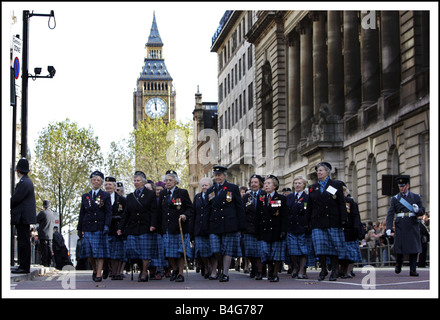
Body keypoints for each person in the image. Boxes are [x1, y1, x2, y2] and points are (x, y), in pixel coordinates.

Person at [304, 162, 347, 281]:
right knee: (320, 247)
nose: (318, 172)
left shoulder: (335, 185)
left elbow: (341, 203)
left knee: (334, 247)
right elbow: (310, 206)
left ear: (327, 172)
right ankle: (323, 268)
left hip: (332, 220)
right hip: (317, 221)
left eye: (321, 170)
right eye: (317, 170)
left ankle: (334, 270)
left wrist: (343, 219)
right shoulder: (313, 187)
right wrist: (306, 222)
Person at [206, 165, 246, 282]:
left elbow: (239, 207)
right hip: (214, 224)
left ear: (225, 175)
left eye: (220, 175)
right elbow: (207, 209)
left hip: (229, 223)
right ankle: (219, 268)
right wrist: (206, 225)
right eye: (216, 175)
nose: (217, 177)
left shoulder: (232, 188)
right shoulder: (211, 190)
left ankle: (225, 273)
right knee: (216, 250)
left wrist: (240, 225)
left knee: (228, 249)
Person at [117, 171, 158, 282]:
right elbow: (126, 214)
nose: (136, 182)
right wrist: (120, 227)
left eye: (138, 180)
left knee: (145, 252)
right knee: (133, 251)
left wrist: (153, 224)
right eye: (134, 180)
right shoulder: (131, 196)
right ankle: (141, 268)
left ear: (143, 182)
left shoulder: (151, 194)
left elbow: (154, 211)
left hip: (146, 226)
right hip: (133, 227)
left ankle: (144, 272)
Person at [386, 176, 425, 276]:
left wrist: (417, 210)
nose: (401, 188)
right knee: (400, 247)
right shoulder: (395, 199)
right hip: (401, 225)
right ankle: (399, 263)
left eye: (403, 186)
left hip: (412, 224)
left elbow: (422, 210)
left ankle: (413, 270)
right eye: (400, 186)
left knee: (413, 248)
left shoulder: (416, 197)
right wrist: (388, 228)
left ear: (408, 186)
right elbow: (390, 214)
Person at [158, 170, 193, 282]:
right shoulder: (163, 194)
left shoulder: (182, 192)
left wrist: (185, 215)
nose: (168, 182)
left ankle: (181, 273)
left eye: (170, 180)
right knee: (168, 252)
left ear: (175, 181)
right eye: (166, 180)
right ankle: (175, 269)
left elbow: (190, 208)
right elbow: (160, 210)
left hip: (179, 227)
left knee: (180, 251)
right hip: (167, 227)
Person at [78, 171, 112, 282]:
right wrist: (80, 228)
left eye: (98, 180)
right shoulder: (85, 196)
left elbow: (108, 212)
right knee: (90, 253)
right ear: (91, 181)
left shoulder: (105, 195)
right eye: (94, 180)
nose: (95, 182)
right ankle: (94, 268)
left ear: (101, 182)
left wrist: (107, 225)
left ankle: (99, 273)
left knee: (100, 252)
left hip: (100, 227)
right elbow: (82, 213)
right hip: (88, 227)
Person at [255, 175, 288, 282]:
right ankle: (270, 268)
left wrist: (283, 230)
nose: (266, 185)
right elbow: (258, 216)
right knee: (265, 252)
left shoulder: (281, 198)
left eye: (269, 183)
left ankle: (275, 273)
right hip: (264, 230)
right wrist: (257, 231)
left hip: (276, 230)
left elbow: (284, 216)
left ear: (275, 186)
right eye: (265, 184)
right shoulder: (261, 198)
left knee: (277, 253)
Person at [11, 158, 37, 274]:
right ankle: (23, 265)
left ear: (18, 170)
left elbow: (16, 199)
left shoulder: (24, 182)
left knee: (23, 242)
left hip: (22, 217)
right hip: (24, 217)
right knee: (23, 242)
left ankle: (24, 266)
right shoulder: (27, 181)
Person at [286, 176, 311, 279]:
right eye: (295, 183)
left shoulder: (308, 198)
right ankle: (295, 266)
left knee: (303, 250)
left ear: (304, 185)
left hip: (303, 228)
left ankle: (302, 269)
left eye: (299, 183)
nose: (297, 185)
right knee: (292, 251)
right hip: (291, 227)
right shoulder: (289, 197)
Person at [242, 174, 265, 280]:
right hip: (249, 227)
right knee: (250, 251)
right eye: (252, 182)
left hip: (262, 227)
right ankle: (254, 267)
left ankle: (260, 271)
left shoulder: (264, 194)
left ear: (260, 183)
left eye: (256, 182)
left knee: (260, 251)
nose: (254, 184)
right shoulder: (247, 196)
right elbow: (242, 212)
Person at [104, 176, 127, 280]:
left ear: (114, 186)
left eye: (110, 184)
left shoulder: (121, 199)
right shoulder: (101, 198)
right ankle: (110, 271)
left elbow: (126, 214)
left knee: (117, 252)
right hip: (106, 228)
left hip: (117, 228)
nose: (108, 186)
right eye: (106, 184)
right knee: (108, 252)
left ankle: (117, 273)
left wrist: (122, 227)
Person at [339, 184, 363, 278]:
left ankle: (348, 271)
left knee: (351, 253)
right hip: (340, 231)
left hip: (350, 231)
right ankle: (341, 271)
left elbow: (356, 216)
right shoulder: (335, 203)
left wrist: (356, 228)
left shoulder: (351, 202)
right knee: (342, 255)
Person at [191, 177, 212, 278]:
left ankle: (212, 267)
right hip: (198, 228)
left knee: (211, 250)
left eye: (206, 185)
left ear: (210, 186)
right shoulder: (197, 197)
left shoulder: (213, 196)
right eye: (202, 185)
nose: (204, 187)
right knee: (201, 250)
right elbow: (193, 213)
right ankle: (207, 267)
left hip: (210, 228)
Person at [36, 200, 55, 267]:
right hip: (50, 234)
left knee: (44, 249)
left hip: (43, 233)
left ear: (43, 206)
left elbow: (36, 219)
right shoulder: (52, 213)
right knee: (49, 248)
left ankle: (45, 262)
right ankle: (50, 262)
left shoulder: (43, 213)